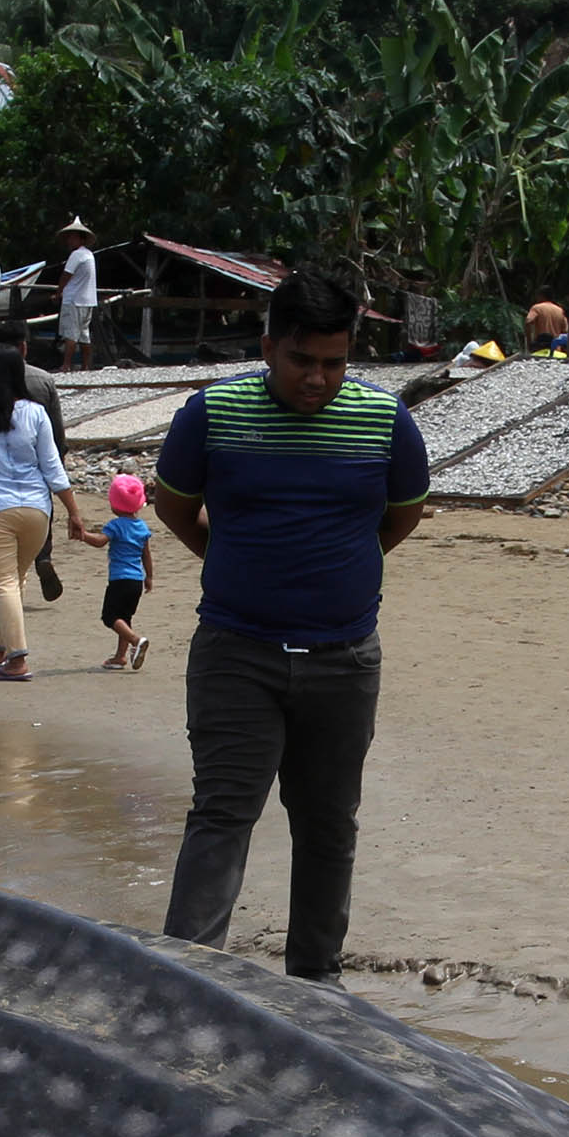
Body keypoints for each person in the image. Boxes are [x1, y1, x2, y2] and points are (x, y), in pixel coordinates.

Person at [149, 265, 430, 978]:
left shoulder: (387, 422)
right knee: (221, 816)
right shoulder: (210, 416)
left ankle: (316, 983)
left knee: (329, 826)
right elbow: (175, 506)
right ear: (268, 346)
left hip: (344, 658)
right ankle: (187, 978)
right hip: (236, 654)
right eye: (303, 360)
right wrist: (241, 559)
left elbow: (398, 519)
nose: (318, 378)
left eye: (334, 363)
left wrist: (331, 574)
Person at [0, 340, 90, 683]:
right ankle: (0, 647)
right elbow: (53, 467)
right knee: (17, 578)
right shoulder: (35, 413)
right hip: (36, 510)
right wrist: (73, 511)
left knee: (4, 583)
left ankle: (17, 659)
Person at [93, 471, 156, 670]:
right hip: (136, 580)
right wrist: (149, 577)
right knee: (125, 617)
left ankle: (136, 641)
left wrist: (82, 535)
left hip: (120, 579)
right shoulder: (141, 527)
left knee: (110, 617)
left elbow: (100, 542)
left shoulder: (116, 525)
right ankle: (120, 657)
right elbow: (146, 555)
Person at [55, 219, 99, 370]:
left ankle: (66, 364)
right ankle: (86, 365)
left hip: (74, 299)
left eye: (72, 237)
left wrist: (58, 292)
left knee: (71, 334)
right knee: (83, 335)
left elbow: (66, 275)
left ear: (81, 239)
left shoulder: (77, 255)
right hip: (87, 300)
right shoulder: (89, 255)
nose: (69, 240)